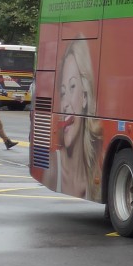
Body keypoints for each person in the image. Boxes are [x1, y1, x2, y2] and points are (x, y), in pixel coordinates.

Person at [45, 38, 102, 201]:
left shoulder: (96, 171)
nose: (65, 104)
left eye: (72, 87)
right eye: (63, 93)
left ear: (85, 97)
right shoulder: (52, 168)